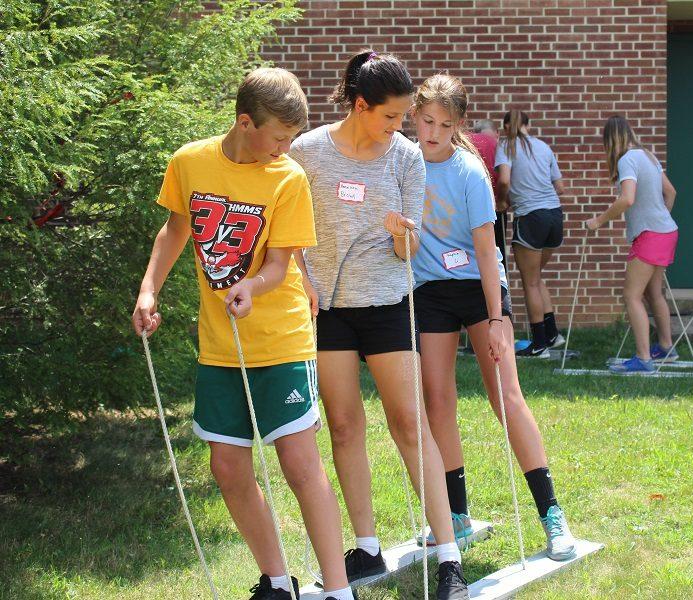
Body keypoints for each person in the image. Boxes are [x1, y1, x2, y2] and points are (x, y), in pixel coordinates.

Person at [131, 68, 352, 600]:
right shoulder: (189, 162)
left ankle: (341, 590)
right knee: (228, 467)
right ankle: (277, 583)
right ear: (244, 122)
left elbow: (281, 265)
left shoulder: (287, 178)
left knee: (300, 465)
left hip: (282, 340)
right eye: (278, 137)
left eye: (292, 139)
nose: (285, 148)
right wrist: (148, 289)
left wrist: (251, 287)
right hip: (220, 344)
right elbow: (176, 228)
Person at [288, 50, 468, 599]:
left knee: (409, 424)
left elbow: (411, 247)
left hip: (389, 304)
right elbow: (288, 229)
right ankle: (366, 547)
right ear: (360, 106)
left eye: (403, 117)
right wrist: (304, 282)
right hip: (329, 312)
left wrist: (400, 233)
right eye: (390, 116)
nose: (399, 128)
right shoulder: (307, 152)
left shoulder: (406, 158)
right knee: (343, 427)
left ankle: (447, 554)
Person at [411, 73, 577, 561]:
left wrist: (501, 318)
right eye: (426, 121)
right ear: (414, 118)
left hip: (479, 290)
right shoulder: (403, 164)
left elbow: (487, 251)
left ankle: (552, 515)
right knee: (437, 402)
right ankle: (457, 516)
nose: (434, 132)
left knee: (505, 396)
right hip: (430, 292)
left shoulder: (468, 172)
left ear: (459, 124)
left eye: (444, 123)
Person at [585, 115, 678, 373]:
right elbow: (671, 192)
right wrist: (661, 217)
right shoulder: (648, 155)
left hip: (651, 234)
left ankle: (643, 358)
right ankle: (666, 348)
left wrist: (599, 221)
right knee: (653, 293)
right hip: (667, 230)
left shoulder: (627, 159)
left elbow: (627, 199)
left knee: (632, 295)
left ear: (610, 141)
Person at [495, 110, 567, 358]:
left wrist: (502, 201)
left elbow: (503, 180)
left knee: (531, 282)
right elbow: (560, 186)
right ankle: (552, 335)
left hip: (531, 216)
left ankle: (539, 345)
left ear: (505, 128)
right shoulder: (544, 147)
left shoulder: (506, 145)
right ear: (528, 124)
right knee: (536, 277)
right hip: (555, 215)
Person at [470, 119, 508, 271]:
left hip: (470, 207)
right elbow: (505, 180)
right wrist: (502, 200)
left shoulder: (466, 141)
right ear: (497, 133)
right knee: (497, 253)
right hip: (494, 207)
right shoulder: (497, 145)